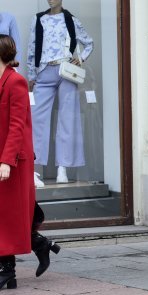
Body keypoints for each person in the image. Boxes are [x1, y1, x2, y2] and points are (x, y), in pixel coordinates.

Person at [27, 0, 94, 187]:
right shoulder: (38, 19)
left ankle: (62, 168)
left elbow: (89, 43)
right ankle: (34, 168)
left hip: (66, 72)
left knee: (67, 119)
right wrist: (31, 76)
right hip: (44, 71)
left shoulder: (70, 19)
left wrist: (79, 59)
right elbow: (32, 50)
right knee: (37, 119)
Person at [0, 34, 34, 289]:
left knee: (8, 216)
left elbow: (16, 125)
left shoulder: (16, 82)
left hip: (12, 160)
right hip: (3, 156)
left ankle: (7, 269)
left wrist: (6, 161)